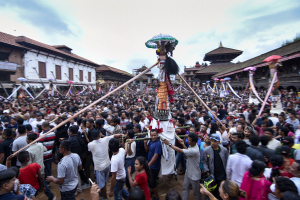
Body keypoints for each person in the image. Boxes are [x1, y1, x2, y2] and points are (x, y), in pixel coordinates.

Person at [163, 132, 202, 200]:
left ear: (194, 141)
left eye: (189, 140)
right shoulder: (193, 146)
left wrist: (169, 144)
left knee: (196, 193)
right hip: (188, 172)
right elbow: (187, 151)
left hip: (194, 175)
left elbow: (180, 150)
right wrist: (183, 144)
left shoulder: (194, 150)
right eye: (188, 139)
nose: (187, 141)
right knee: (185, 188)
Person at [88, 129, 122, 199]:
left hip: (99, 168)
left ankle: (105, 198)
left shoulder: (90, 144)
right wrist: (122, 134)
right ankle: (104, 194)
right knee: (104, 182)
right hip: (107, 165)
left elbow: (90, 150)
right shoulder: (105, 139)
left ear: (92, 136)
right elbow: (114, 136)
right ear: (100, 134)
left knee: (101, 185)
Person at [202, 133, 228, 199]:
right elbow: (204, 161)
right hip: (212, 175)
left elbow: (227, 162)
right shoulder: (207, 150)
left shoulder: (224, 150)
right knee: (212, 191)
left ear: (219, 141)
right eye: (212, 141)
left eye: (215, 141)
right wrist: (207, 171)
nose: (213, 143)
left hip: (222, 175)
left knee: (220, 192)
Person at [144, 129, 161, 200]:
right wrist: (145, 143)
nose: (153, 137)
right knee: (150, 180)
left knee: (153, 182)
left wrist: (149, 164)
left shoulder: (158, 143)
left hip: (154, 166)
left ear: (157, 135)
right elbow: (147, 150)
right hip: (150, 165)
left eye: (154, 135)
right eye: (152, 135)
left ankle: (157, 197)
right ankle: (152, 192)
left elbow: (156, 155)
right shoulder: (150, 141)